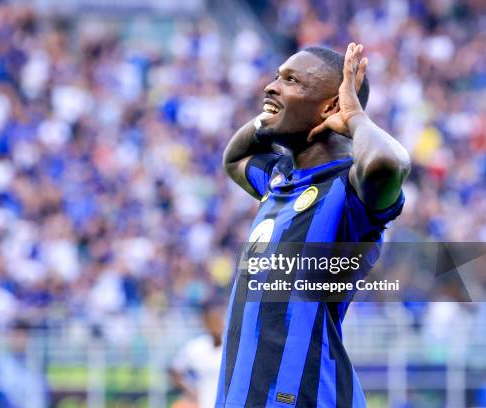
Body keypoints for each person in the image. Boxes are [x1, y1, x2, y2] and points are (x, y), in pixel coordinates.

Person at [216, 43, 410, 407]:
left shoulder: (350, 191)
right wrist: (268, 117)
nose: (271, 86)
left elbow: (389, 163)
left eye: (292, 81)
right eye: (277, 76)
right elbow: (234, 158)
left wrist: (355, 117)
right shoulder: (278, 179)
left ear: (329, 106)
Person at [170, 301, 225, 408]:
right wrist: (190, 391)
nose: (217, 325)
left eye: (218, 320)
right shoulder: (196, 347)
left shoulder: (231, 347)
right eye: (212, 321)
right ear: (206, 323)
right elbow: (175, 371)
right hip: (203, 403)